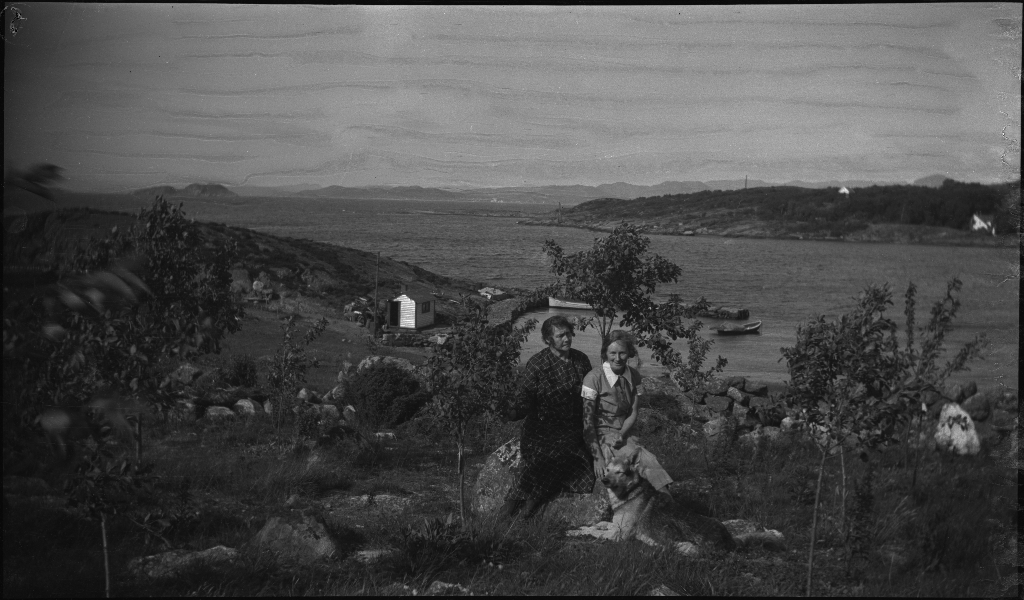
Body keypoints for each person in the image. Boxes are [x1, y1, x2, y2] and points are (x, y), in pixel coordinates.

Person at [502, 315, 595, 518]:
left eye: (569, 334)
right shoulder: (537, 364)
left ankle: (524, 512)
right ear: (548, 339)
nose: (567, 339)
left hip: (571, 431)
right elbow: (524, 399)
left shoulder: (581, 360)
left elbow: (589, 397)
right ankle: (511, 511)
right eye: (561, 335)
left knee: (568, 464)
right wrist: (511, 412)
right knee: (545, 460)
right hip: (540, 430)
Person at [582, 330, 673, 495]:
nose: (617, 358)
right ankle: (661, 502)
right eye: (612, 353)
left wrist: (622, 434)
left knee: (648, 460)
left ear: (629, 353)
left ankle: (666, 502)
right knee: (633, 462)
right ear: (605, 354)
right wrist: (598, 458)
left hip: (625, 432)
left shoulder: (634, 376)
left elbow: (633, 412)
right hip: (601, 434)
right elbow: (587, 422)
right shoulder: (593, 378)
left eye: (622, 353)